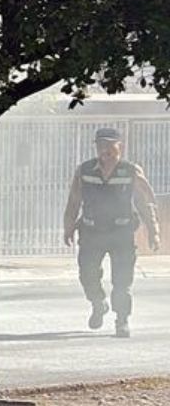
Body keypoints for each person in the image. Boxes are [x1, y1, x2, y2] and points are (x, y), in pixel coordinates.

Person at [62, 127, 160, 338]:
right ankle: (98, 303)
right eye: (100, 145)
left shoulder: (131, 171)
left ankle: (121, 320)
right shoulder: (85, 170)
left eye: (109, 145)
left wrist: (154, 231)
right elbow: (73, 201)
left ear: (120, 147)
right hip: (91, 232)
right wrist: (68, 226)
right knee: (87, 275)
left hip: (121, 233)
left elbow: (145, 202)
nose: (105, 150)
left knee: (122, 281)